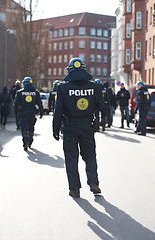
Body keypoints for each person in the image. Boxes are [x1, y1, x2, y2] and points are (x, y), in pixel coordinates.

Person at [53, 58, 104, 198]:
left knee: (71, 158)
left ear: (69, 69)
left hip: (70, 127)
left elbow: (58, 111)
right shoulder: (94, 86)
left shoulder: (63, 87)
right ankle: (93, 182)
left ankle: (74, 189)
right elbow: (101, 105)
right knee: (90, 156)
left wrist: (55, 129)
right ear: (83, 68)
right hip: (87, 125)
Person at [14, 77, 43, 150]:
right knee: (31, 127)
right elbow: (40, 103)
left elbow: (16, 104)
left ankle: (25, 142)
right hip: (32, 113)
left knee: (24, 128)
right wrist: (41, 112)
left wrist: (16, 112)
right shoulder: (36, 92)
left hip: (23, 112)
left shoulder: (20, 92)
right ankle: (30, 141)